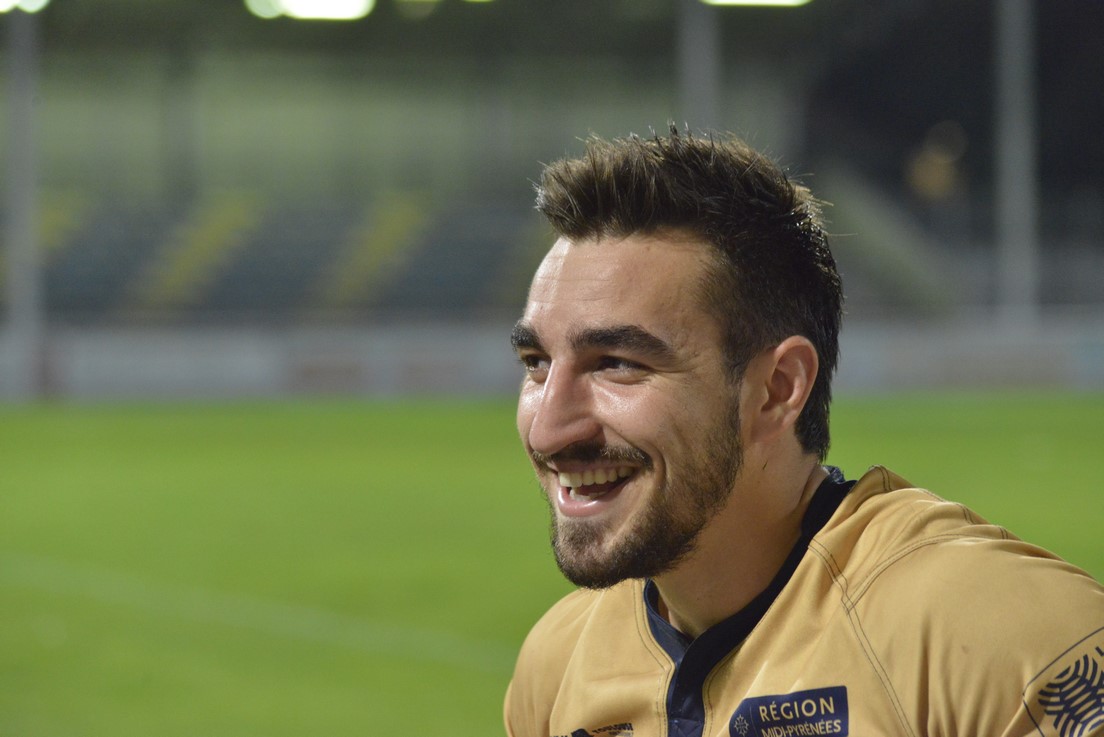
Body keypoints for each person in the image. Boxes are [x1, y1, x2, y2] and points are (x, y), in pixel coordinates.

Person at [504, 127, 1104, 737]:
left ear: (777, 389)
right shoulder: (557, 664)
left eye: (616, 364)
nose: (549, 430)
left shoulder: (1001, 640)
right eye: (536, 363)